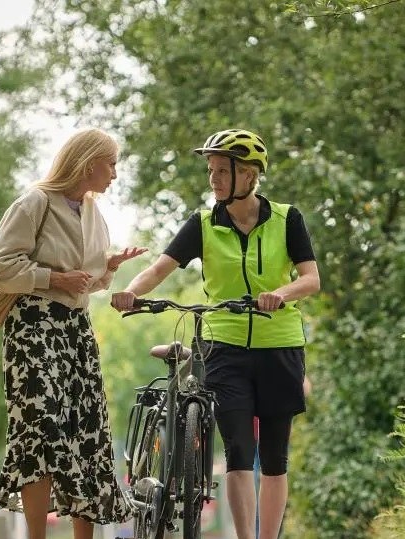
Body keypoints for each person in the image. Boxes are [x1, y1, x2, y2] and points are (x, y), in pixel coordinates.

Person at [111, 128, 320, 539]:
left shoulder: (287, 219)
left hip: (279, 346)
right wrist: (130, 293)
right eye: (211, 170)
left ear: (249, 175)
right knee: (239, 451)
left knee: (274, 459)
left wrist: (280, 294)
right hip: (223, 348)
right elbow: (159, 269)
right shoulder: (203, 223)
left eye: (222, 170)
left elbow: (311, 279)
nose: (213, 179)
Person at [0, 128, 147, 539]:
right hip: (32, 327)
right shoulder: (34, 202)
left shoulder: (93, 213)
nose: (115, 173)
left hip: (76, 329)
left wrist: (108, 267)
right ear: (89, 163)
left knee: (86, 431)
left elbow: (87, 281)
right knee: (39, 429)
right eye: (111, 164)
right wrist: (54, 278)